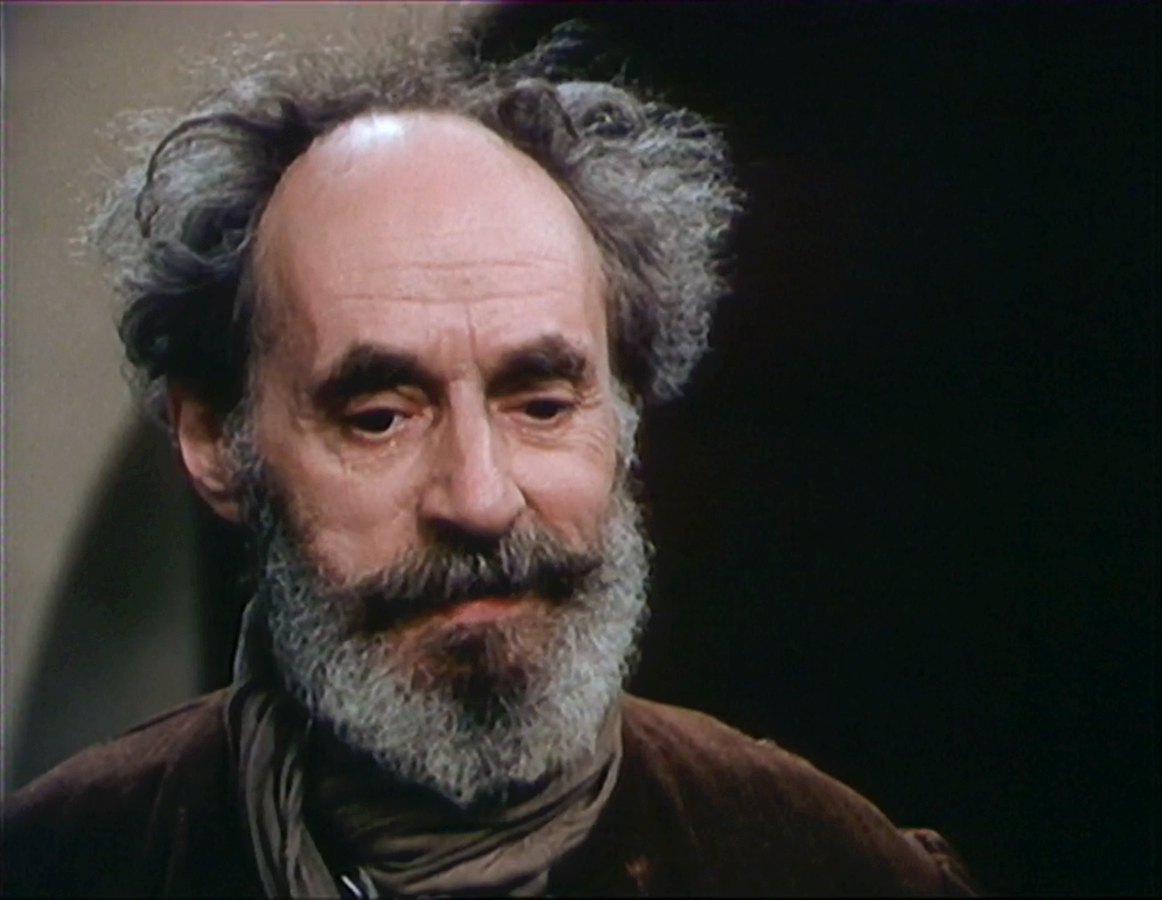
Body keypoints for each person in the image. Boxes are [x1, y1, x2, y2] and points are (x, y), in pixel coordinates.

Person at [2, 27, 973, 898]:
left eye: (541, 404)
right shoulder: (62, 863)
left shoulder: (826, 867)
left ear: (625, 418)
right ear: (217, 441)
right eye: (380, 417)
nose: (479, 497)